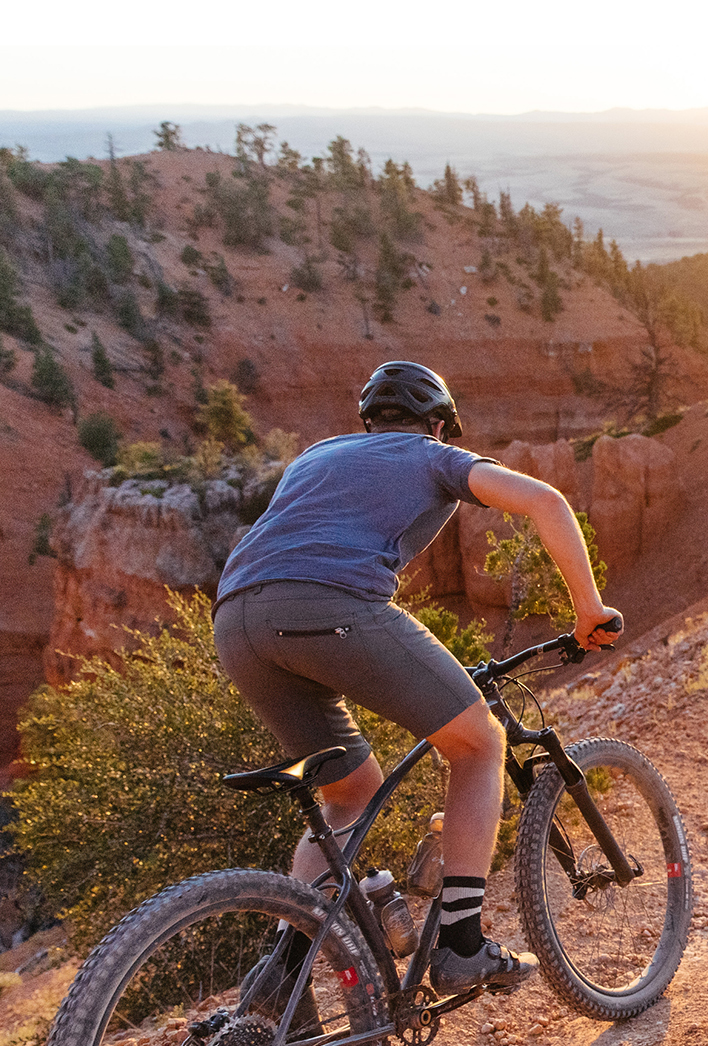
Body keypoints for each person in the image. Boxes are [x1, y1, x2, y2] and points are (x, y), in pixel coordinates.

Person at [214, 361, 622, 994]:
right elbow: (546, 501)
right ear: (438, 424)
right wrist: (588, 610)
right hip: (331, 607)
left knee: (348, 792)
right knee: (479, 743)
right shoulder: (433, 457)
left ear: (370, 421)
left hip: (236, 621)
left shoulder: (314, 457)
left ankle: (279, 977)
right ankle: (462, 945)